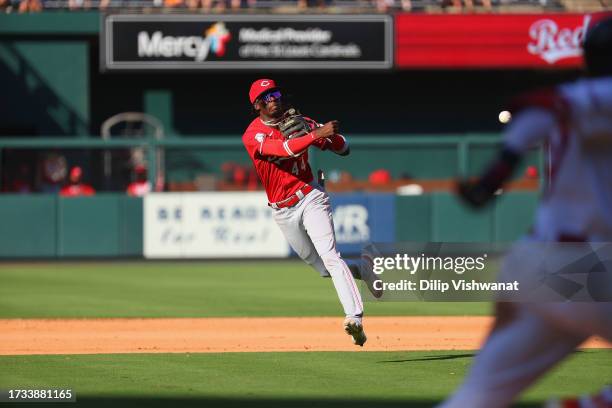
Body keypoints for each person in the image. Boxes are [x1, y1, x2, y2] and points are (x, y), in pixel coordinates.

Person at [438, 16, 612, 408]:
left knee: (476, 399)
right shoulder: (586, 97)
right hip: (589, 270)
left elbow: (506, 158)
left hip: (532, 265)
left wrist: (484, 186)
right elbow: (561, 103)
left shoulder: (564, 100)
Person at [241, 78, 380, 347]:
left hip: (310, 196)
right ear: (257, 105)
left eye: (276, 93)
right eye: (267, 96)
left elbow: (344, 148)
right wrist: (314, 135)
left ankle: (355, 318)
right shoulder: (253, 134)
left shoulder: (300, 122)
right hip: (282, 210)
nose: (274, 99)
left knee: (331, 257)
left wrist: (329, 135)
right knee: (322, 268)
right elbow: (282, 149)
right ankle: (363, 269)